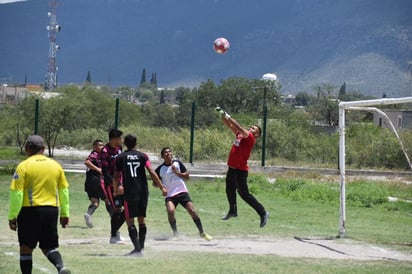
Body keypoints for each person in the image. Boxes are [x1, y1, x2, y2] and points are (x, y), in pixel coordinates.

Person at [8, 135, 71, 274]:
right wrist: (65, 213)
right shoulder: (56, 166)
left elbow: (17, 194)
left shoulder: (23, 166)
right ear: (44, 148)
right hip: (51, 210)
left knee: (26, 247)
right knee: (48, 246)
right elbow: (64, 191)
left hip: (30, 211)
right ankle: (61, 267)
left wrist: (12, 216)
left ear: (26, 149)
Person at [113, 134, 167, 256]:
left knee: (130, 220)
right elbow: (152, 172)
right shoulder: (143, 156)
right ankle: (141, 248)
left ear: (125, 144)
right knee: (141, 219)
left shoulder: (120, 157)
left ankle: (137, 249)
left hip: (129, 192)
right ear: (136, 143)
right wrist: (162, 186)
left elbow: (116, 176)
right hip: (142, 191)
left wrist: (115, 190)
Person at [216, 107, 269, 227]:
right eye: (251, 126)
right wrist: (222, 116)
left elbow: (239, 127)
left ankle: (263, 212)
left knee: (244, 194)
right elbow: (230, 126)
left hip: (240, 170)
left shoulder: (250, 137)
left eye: (254, 128)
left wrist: (228, 115)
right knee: (229, 190)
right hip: (232, 168)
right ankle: (233, 211)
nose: (251, 127)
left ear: (257, 134)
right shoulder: (240, 136)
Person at [155, 147, 212, 241]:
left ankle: (202, 232)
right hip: (170, 195)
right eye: (166, 152)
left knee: (192, 211)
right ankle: (175, 233)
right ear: (162, 156)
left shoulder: (177, 163)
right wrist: (162, 187)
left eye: (170, 151)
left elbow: (187, 176)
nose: (168, 153)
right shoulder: (160, 169)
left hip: (181, 191)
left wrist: (177, 172)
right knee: (171, 211)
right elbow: (155, 183)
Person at [99, 129, 125, 244]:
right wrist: (114, 185)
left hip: (121, 183)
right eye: (120, 138)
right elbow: (104, 171)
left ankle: (116, 230)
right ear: (114, 139)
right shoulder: (105, 150)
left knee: (129, 208)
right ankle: (113, 236)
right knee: (117, 209)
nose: (121, 140)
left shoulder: (120, 149)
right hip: (111, 185)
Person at [83, 139, 107, 228]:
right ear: (94, 146)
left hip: (89, 182)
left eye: (102, 145)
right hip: (96, 181)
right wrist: (98, 169)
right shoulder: (94, 154)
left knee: (95, 202)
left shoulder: (101, 155)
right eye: (99, 145)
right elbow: (86, 162)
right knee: (107, 200)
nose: (101, 146)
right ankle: (115, 219)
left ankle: (88, 214)